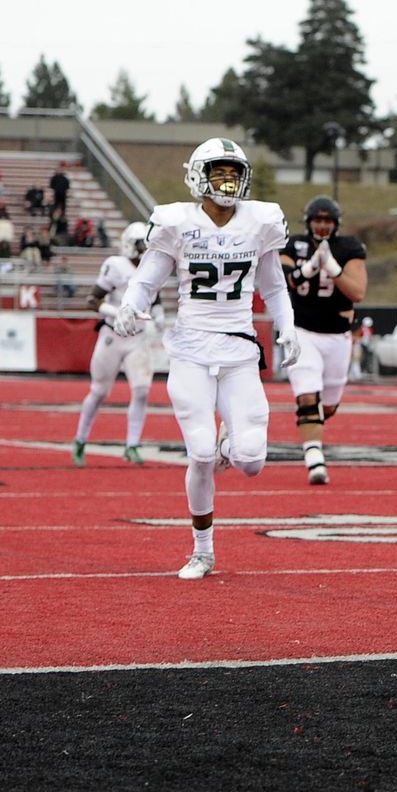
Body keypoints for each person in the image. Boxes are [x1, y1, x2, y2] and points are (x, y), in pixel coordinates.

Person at [115, 137, 300, 580]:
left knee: (251, 461)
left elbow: (273, 285)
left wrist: (287, 326)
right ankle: (203, 550)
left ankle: (226, 446)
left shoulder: (260, 223)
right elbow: (147, 278)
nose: (226, 180)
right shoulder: (176, 223)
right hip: (192, 349)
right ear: (198, 176)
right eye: (218, 171)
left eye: (233, 173)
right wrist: (128, 304)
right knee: (198, 453)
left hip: (238, 348)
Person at [279, 195, 368, 485]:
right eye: (317, 220)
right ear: (308, 221)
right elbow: (283, 278)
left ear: (336, 223)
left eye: (327, 220)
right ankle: (314, 459)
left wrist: (333, 267)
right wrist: (307, 269)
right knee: (307, 397)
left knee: (327, 406)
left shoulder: (349, 247)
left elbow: (357, 292)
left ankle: (310, 434)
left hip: (337, 337)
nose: (322, 225)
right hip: (302, 332)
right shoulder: (294, 244)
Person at [72, 223, 164, 467]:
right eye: (142, 244)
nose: (146, 249)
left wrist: (160, 313)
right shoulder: (116, 265)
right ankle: (81, 439)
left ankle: (132, 444)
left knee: (142, 390)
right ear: (130, 244)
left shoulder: (154, 267)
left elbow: (154, 297)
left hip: (138, 338)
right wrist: (117, 312)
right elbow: (92, 300)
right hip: (112, 334)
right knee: (99, 391)